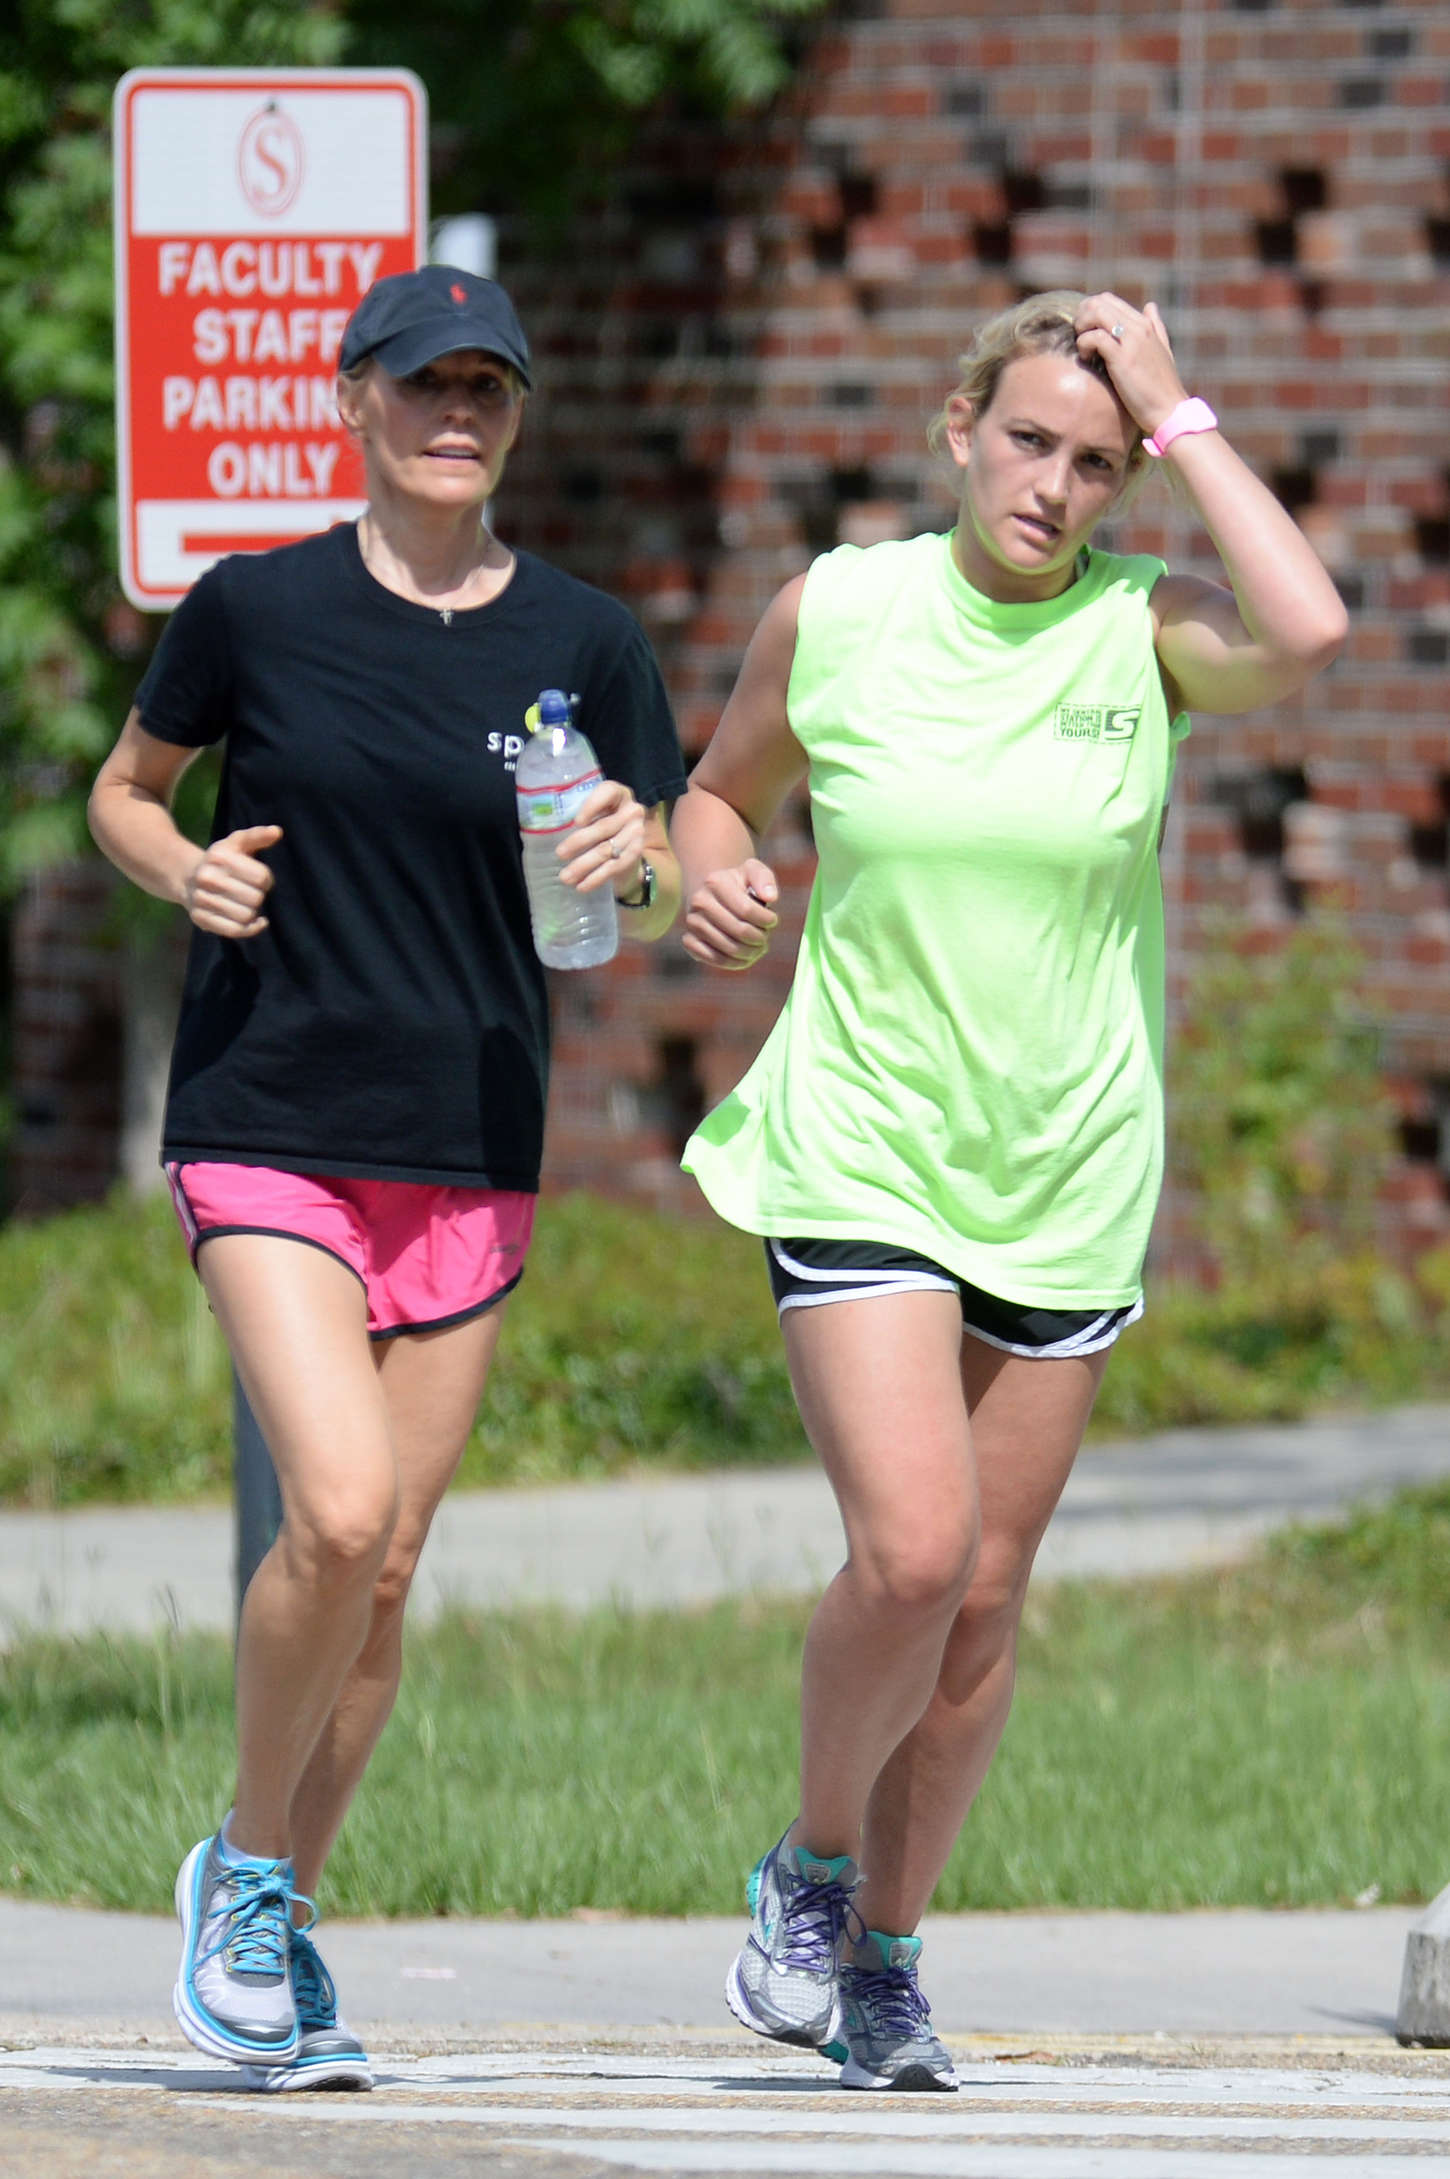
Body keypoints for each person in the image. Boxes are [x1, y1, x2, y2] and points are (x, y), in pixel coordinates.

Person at [672, 288, 1347, 2091]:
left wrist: (1180, 414)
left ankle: (889, 1956)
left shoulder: (1148, 631)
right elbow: (716, 797)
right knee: (912, 1547)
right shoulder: (840, 608)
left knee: (981, 1602)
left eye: (1095, 462)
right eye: (1029, 440)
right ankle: (811, 1875)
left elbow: (1309, 623)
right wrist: (715, 873)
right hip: (865, 1139)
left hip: (1062, 1168)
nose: (1054, 486)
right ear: (959, 426)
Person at [88, 264, 685, 2090]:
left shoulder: (585, 640)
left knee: (394, 1565)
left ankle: (278, 1915)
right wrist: (179, 871)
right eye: (423, 382)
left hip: (471, 1144)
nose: (456, 413)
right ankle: (246, 1881)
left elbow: (646, 900)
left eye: (487, 388)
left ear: (516, 416)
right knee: (334, 1512)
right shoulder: (254, 607)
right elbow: (128, 787)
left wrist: (638, 860)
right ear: (352, 400)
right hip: (271, 1114)